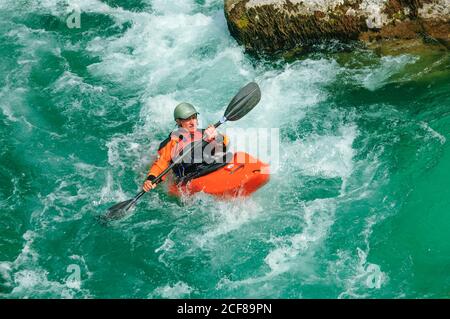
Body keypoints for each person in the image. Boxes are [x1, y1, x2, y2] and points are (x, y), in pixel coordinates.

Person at [143, 102, 230, 192]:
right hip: (189, 177)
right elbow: (161, 164)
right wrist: (151, 179)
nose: (193, 122)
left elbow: (224, 146)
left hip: (210, 167)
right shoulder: (172, 142)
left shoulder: (204, 133)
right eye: (188, 119)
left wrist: (217, 137)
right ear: (179, 121)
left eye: (194, 117)